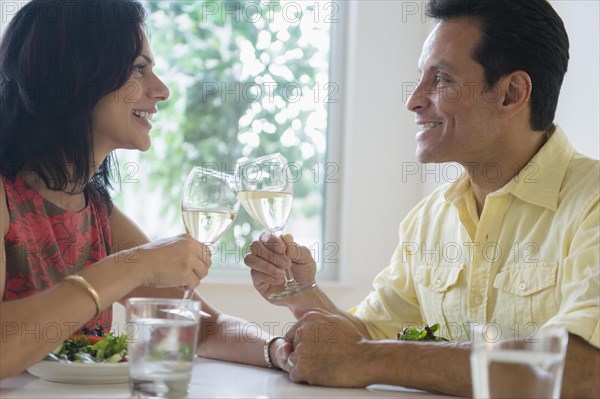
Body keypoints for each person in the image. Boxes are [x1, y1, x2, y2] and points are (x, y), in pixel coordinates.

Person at [244, 0, 600, 397]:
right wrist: (301, 294)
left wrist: (367, 359)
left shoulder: (592, 204)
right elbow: (370, 334)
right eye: (420, 78)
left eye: (441, 79)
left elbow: (586, 368)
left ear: (510, 93)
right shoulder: (428, 219)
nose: (414, 99)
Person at [0, 0, 279, 379]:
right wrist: (136, 265)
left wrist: (278, 349)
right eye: (139, 68)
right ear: (78, 74)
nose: (161, 90)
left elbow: (200, 328)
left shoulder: (95, 209)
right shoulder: (5, 197)